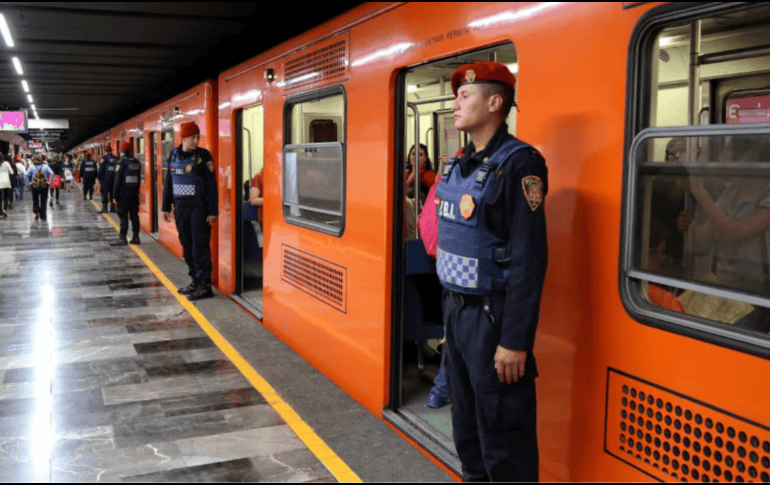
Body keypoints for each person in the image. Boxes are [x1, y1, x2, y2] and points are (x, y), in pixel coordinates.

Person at [435, 61, 547, 481]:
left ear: (495, 102)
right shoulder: (457, 166)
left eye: (465, 96)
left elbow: (529, 260)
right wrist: (450, 319)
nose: (455, 104)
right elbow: (452, 245)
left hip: (493, 320)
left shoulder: (520, 166)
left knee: (504, 441)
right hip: (458, 316)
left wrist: (515, 341)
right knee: (466, 434)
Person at [161, 121, 218, 301]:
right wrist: (165, 206)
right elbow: (168, 183)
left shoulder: (204, 156)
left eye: (198, 137)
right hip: (181, 209)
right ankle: (195, 280)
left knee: (199, 246)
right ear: (184, 138)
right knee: (186, 245)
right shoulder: (173, 156)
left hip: (198, 209)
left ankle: (205, 285)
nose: (196, 140)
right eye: (194, 137)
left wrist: (212, 211)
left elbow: (211, 186)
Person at [110, 142, 142, 246]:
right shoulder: (136, 161)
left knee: (123, 216)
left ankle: (123, 238)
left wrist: (114, 195)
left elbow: (117, 180)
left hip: (123, 194)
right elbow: (138, 179)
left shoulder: (121, 162)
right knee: (134, 216)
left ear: (121, 151)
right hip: (134, 193)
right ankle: (136, 237)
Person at [26, 154, 53, 221]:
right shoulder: (46, 167)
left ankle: (36, 211)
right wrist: (50, 182)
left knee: (35, 200)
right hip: (44, 186)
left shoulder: (31, 167)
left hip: (34, 186)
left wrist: (28, 183)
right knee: (43, 201)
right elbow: (52, 173)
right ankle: (43, 216)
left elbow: (26, 174)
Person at [97, 144, 118, 213]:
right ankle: (112, 208)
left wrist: (99, 177)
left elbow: (101, 168)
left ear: (105, 151)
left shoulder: (105, 158)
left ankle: (104, 208)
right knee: (112, 193)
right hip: (114, 179)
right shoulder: (115, 158)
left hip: (106, 179)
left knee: (104, 193)